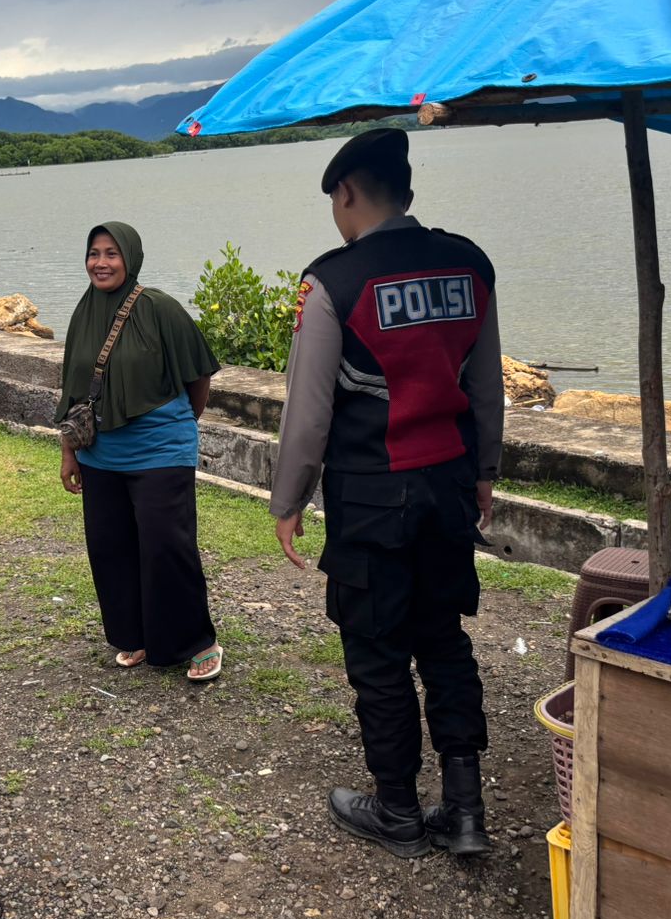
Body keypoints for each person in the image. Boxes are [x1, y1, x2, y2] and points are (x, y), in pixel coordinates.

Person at [269, 128, 503, 860]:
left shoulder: (332, 281)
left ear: (346, 192)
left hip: (372, 497)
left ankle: (397, 809)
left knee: (377, 652)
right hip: (450, 486)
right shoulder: (470, 263)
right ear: (406, 189)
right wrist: (485, 473)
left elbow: (308, 412)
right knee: (443, 639)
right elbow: (485, 385)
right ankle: (465, 811)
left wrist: (288, 500)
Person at [55, 222, 224, 681]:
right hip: (100, 453)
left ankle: (196, 642)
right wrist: (69, 452)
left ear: (130, 257)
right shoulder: (84, 312)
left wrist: (181, 422)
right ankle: (137, 635)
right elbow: (73, 390)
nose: (101, 263)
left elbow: (199, 373)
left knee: (166, 546)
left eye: (111, 253)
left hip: (160, 448)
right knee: (110, 547)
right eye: (94, 253)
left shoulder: (159, 308)